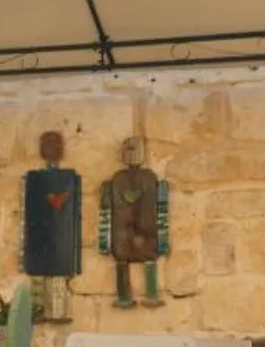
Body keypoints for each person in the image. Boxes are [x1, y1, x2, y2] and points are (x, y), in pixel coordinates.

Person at [98, 136, 170, 307]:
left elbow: (105, 207)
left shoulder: (123, 179)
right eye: (129, 150)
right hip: (132, 232)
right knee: (134, 259)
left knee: (131, 259)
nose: (132, 154)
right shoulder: (143, 178)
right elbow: (162, 206)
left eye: (134, 150)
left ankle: (135, 295)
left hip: (133, 231)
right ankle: (140, 295)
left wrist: (104, 239)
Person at [21, 130, 82, 322]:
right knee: (38, 273)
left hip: (61, 234)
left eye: (55, 144)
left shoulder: (68, 179)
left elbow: (67, 204)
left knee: (58, 274)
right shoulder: (35, 179)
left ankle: (57, 313)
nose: (51, 148)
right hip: (38, 232)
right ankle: (38, 311)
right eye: (47, 144)